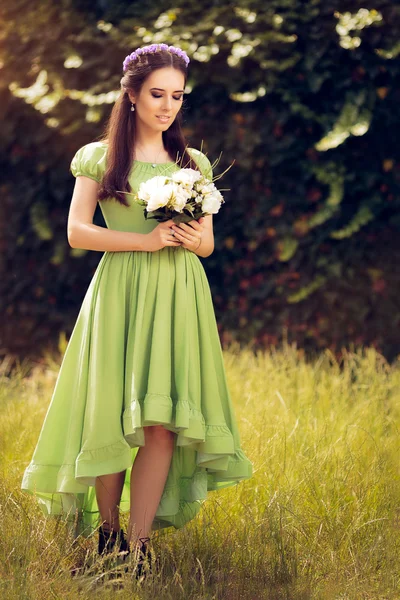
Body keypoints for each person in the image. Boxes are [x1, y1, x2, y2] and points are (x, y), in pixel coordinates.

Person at [21, 43, 253, 579]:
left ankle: (140, 544)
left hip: (179, 293)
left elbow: (208, 246)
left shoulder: (192, 163)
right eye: (157, 94)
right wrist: (144, 243)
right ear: (130, 95)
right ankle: (107, 534)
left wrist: (188, 236)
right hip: (122, 289)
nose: (167, 106)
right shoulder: (99, 157)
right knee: (113, 413)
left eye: (176, 96)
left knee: (163, 420)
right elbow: (78, 232)